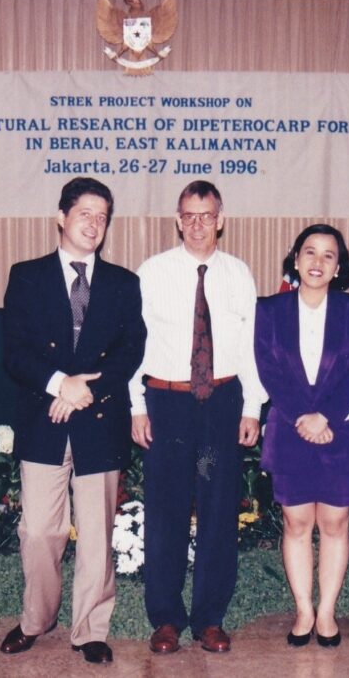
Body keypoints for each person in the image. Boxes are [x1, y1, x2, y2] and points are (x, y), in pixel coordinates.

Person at [0, 177, 146, 665]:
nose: (94, 224)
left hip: (98, 419)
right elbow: (15, 352)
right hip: (45, 419)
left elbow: (130, 352)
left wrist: (86, 390)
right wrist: (60, 383)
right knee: (39, 531)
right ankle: (35, 620)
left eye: (103, 216)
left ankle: (89, 630)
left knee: (97, 533)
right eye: (85, 213)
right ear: (61, 217)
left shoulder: (124, 283)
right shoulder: (27, 275)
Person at [130, 180, 267, 654]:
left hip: (222, 403)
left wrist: (252, 405)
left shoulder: (238, 274)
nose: (196, 225)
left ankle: (210, 618)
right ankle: (165, 619)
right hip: (167, 403)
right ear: (177, 218)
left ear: (221, 219)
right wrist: (137, 405)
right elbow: (134, 346)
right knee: (165, 511)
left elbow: (250, 347)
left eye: (205, 216)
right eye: (188, 215)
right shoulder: (152, 272)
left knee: (217, 510)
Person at [254, 224, 349, 649]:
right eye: (310, 252)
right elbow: (268, 369)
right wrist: (302, 415)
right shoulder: (269, 310)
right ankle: (303, 609)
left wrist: (325, 416)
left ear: (338, 267)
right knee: (297, 521)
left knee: (335, 522)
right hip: (290, 428)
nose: (317, 262)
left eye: (328, 255)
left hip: (339, 428)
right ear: (296, 260)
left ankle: (327, 613)